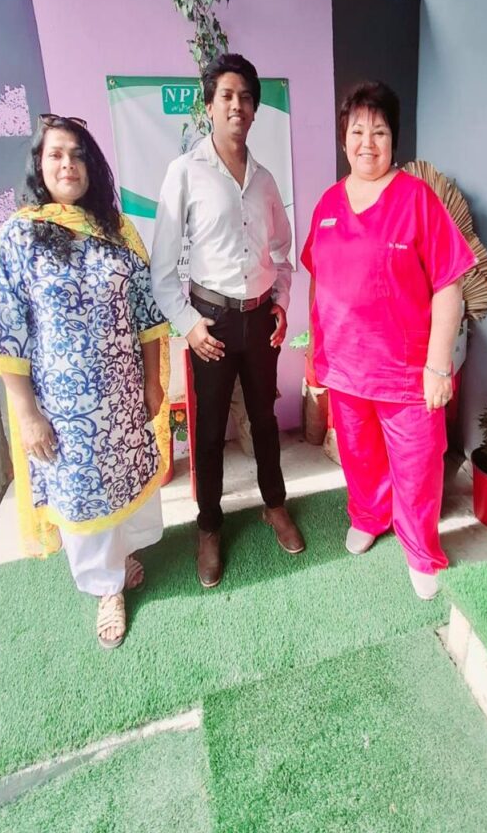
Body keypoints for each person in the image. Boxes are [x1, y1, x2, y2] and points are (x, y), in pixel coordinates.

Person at [0, 114, 169, 648]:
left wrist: (152, 381)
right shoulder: (20, 236)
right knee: (83, 494)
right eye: (56, 154)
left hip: (122, 396)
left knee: (124, 480)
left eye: (78, 155)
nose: (68, 164)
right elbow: (5, 332)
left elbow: (146, 312)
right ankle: (106, 589)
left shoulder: (117, 232)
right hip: (64, 408)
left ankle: (121, 557)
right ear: (40, 166)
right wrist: (26, 412)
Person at [301, 81, 476, 600]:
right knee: (358, 454)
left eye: (379, 131)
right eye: (357, 131)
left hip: (406, 372)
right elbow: (318, 280)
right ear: (344, 139)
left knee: (418, 466)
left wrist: (439, 366)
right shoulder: (328, 203)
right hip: (345, 365)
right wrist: (315, 351)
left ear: (393, 139)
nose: (367, 142)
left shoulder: (417, 199)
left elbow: (449, 283)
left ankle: (421, 550)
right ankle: (369, 515)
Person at [151, 53, 304, 589]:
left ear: (255, 110)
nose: (236, 105)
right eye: (226, 96)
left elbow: (282, 253)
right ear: (209, 106)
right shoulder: (184, 173)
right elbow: (162, 269)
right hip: (210, 324)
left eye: (245, 97)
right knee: (210, 431)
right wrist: (189, 324)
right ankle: (209, 528)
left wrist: (281, 301)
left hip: (259, 320)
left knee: (263, 420)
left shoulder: (265, 181)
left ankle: (275, 506)